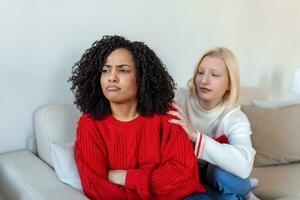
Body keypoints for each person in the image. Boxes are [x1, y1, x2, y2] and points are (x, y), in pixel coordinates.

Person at [69, 35, 205, 200]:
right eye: (105, 70)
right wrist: (151, 184)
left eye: (123, 70)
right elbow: (97, 189)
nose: (112, 77)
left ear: (141, 78)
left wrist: (126, 177)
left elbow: (185, 177)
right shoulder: (89, 124)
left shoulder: (167, 114)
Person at [168, 47, 259, 200]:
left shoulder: (234, 116)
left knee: (221, 174)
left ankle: (245, 193)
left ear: (229, 84)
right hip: (186, 176)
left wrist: (196, 136)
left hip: (215, 174)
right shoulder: (179, 99)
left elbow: (244, 167)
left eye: (214, 75)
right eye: (200, 72)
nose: (204, 80)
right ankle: (245, 193)